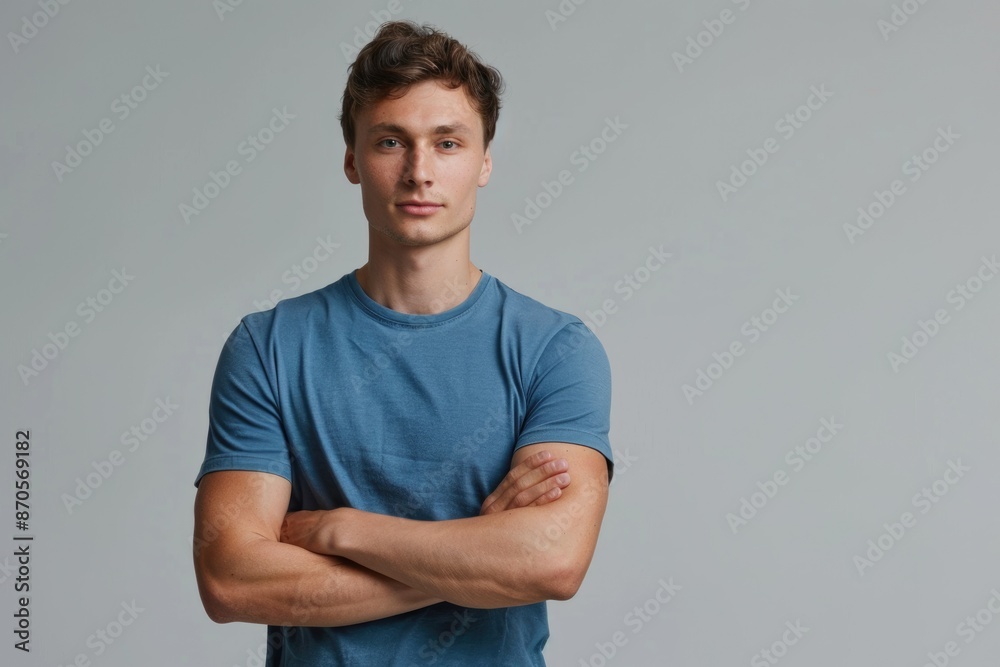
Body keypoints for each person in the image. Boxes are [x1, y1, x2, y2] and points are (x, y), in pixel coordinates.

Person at [192, 19, 615, 666]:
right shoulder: (268, 345)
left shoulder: (554, 349)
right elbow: (230, 578)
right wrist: (480, 555)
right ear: (352, 159)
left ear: (484, 161)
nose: (420, 171)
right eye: (392, 141)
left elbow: (552, 561)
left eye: (448, 143)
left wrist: (343, 529)